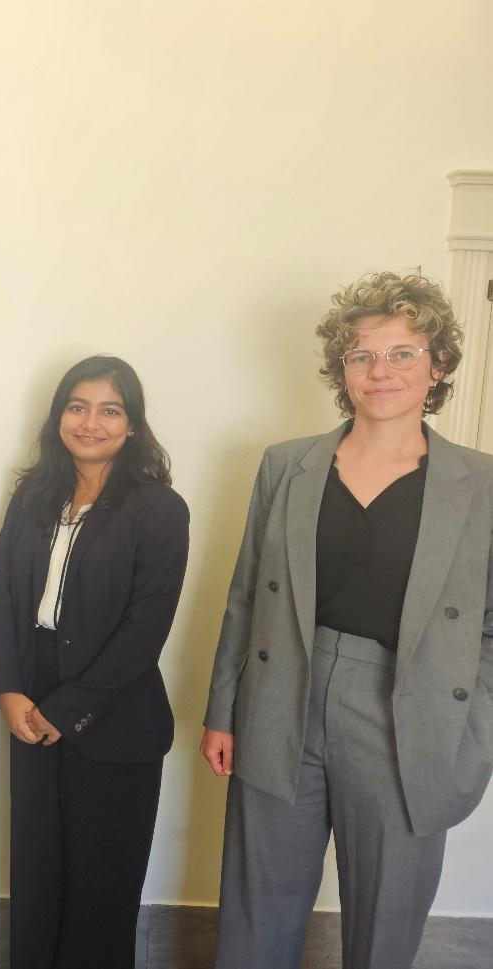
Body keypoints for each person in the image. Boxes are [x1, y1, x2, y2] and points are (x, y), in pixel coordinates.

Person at [200, 271, 493, 969]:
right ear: (342, 369)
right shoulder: (287, 465)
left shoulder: (482, 484)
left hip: (408, 712)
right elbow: (246, 594)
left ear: (439, 365)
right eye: (362, 354)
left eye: (403, 353)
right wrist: (223, 710)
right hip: (282, 697)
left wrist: (471, 734)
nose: (380, 370)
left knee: (384, 927)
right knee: (255, 909)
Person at [0, 355, 190, 969]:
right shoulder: (33, 495)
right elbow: (3, 600)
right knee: (39, 881)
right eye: (78, 406)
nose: (91, 422)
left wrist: (63, 710)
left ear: (132, 425)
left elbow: (143, 631)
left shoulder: (158, 508)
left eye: (110, 409)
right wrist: (8, 690)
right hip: (29, 705)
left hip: (116, 718)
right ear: (58, 418)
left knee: (100, 893)